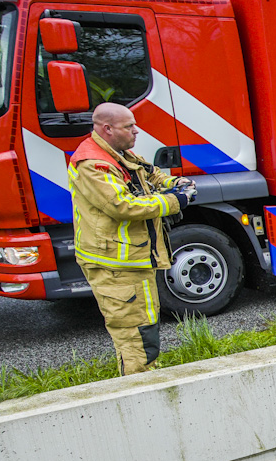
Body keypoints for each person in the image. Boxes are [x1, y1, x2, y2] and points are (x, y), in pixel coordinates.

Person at [69, 102, 196, 375]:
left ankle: (146, 377)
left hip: (130, 261)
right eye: (129, 126)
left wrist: (174, 184)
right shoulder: (93, 164)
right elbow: (122, 206)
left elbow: (149, 173)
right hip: (114, 264)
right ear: (107, 129)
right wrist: (175, 201)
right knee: (133, 332)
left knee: (144, 326)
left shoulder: (117, 153)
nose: (136, 131)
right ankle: (138, 388)